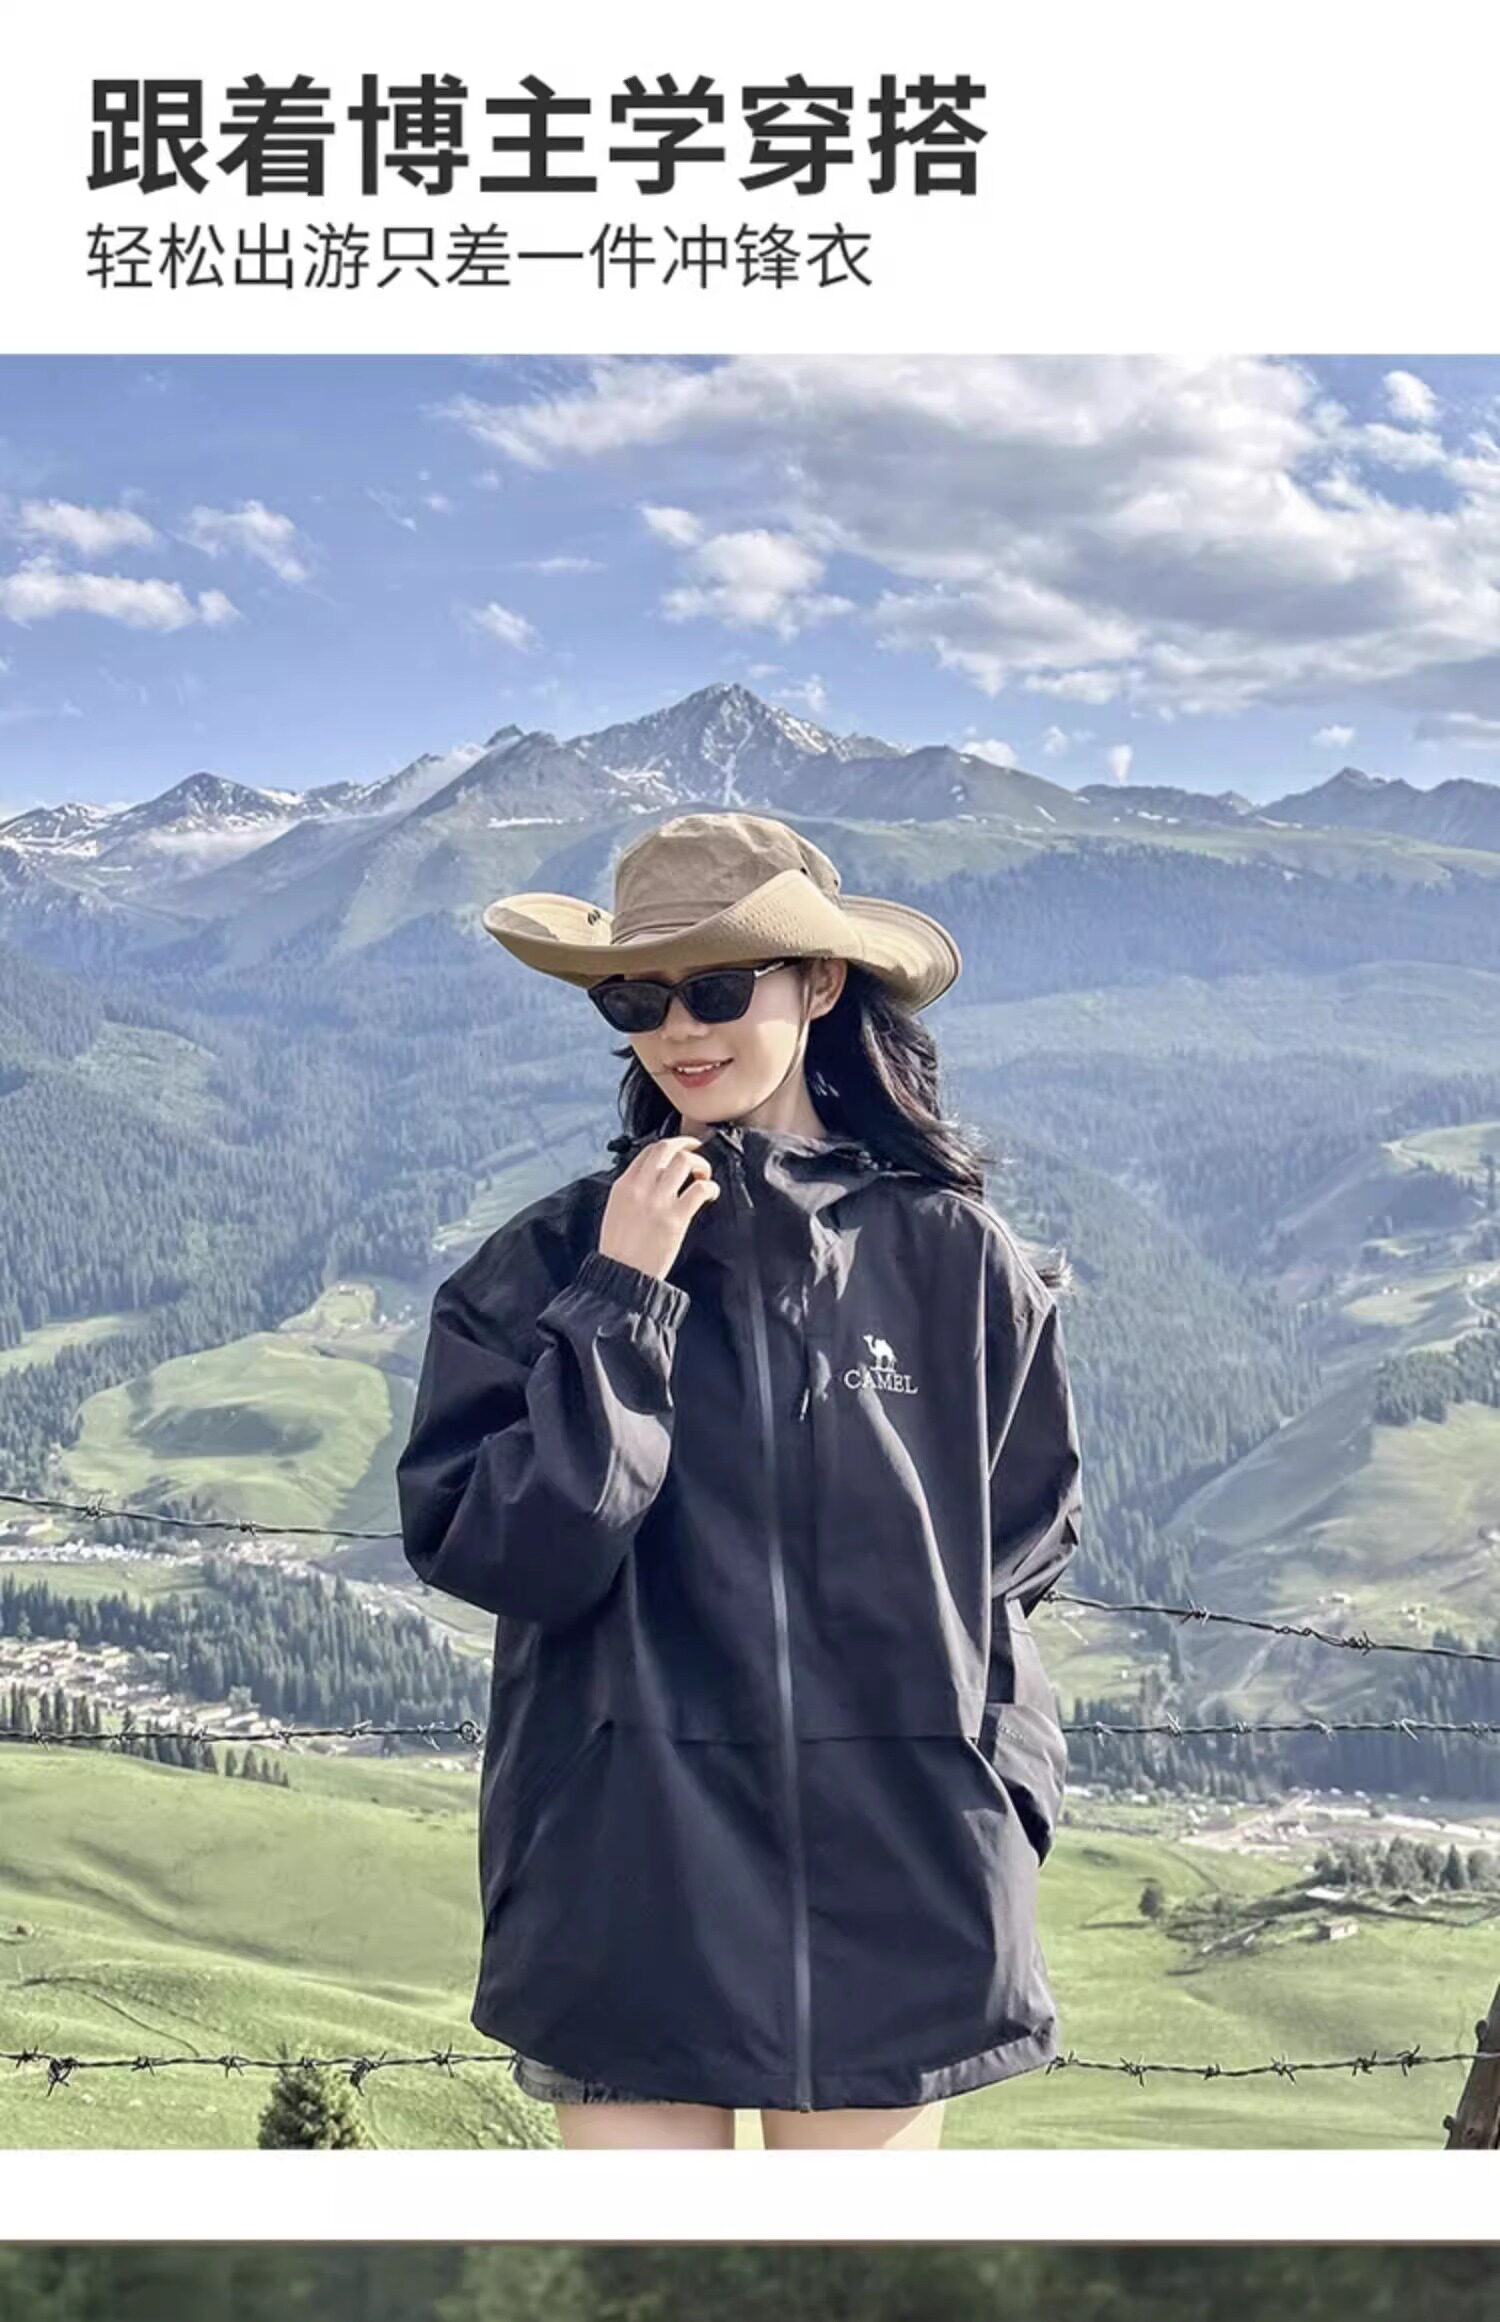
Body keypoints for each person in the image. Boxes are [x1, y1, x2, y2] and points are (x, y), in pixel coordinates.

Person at [396, 809, 1083, 2150]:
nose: (677, 1030)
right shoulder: (548, 1265)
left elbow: (1020, 1550)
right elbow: (511, 1550)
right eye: (637, 1000)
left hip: (898, 1874)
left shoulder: (958, 1260)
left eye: (715, 989)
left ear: (819, 984)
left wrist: (995, 1779)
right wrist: (621, 1300)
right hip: (629, 1873)